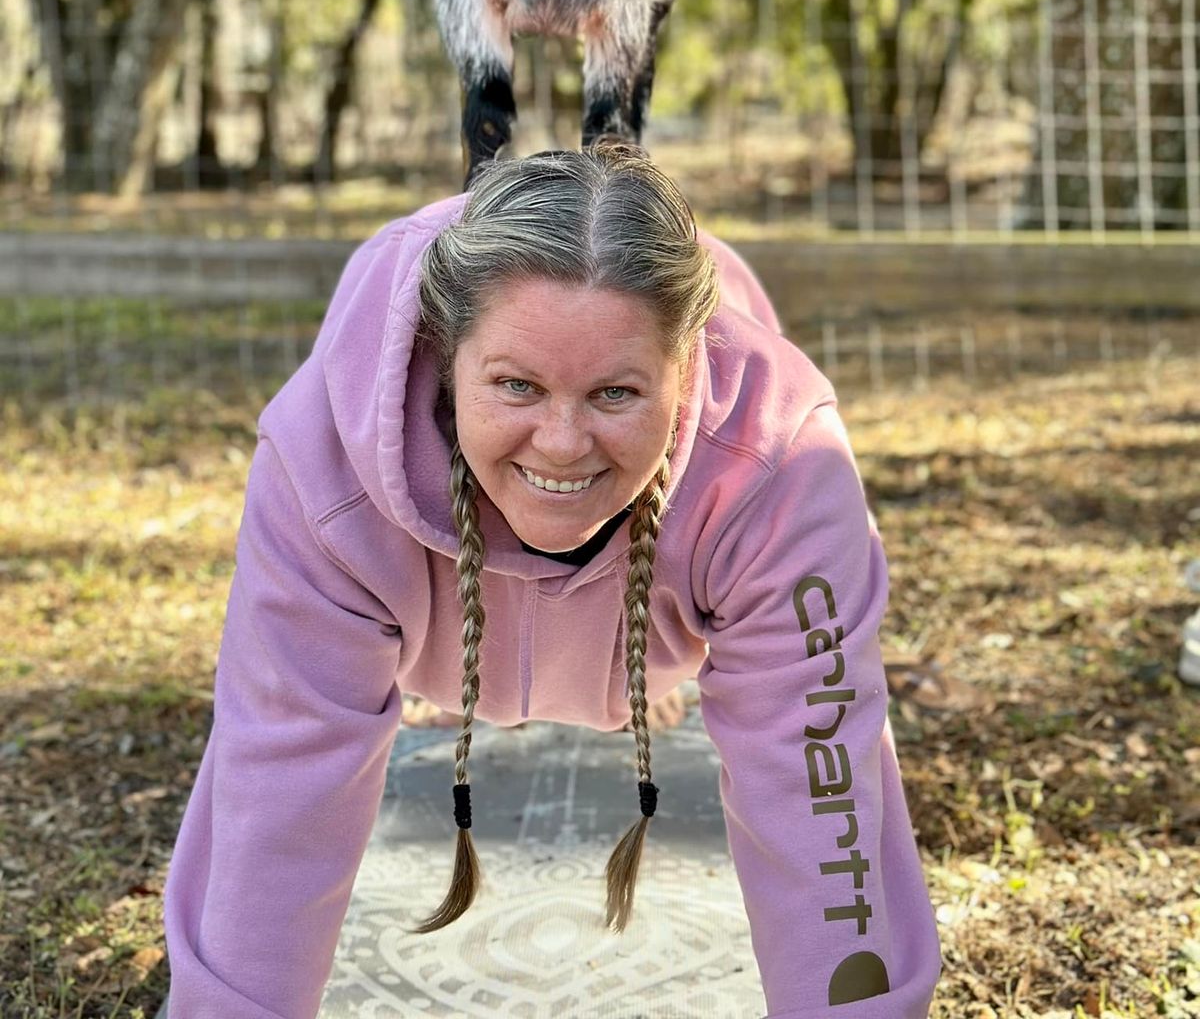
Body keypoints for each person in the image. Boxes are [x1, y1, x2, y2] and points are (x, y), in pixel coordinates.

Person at [161, 145, 941, 1017]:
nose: (562, 444)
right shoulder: (324, 470)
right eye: (517, 386)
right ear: (447, 361)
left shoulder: (782, 467)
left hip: (674, 594)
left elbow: (818, 789)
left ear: (686, 373)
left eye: (615, 394)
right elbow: (278, 791)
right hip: (422, 614)